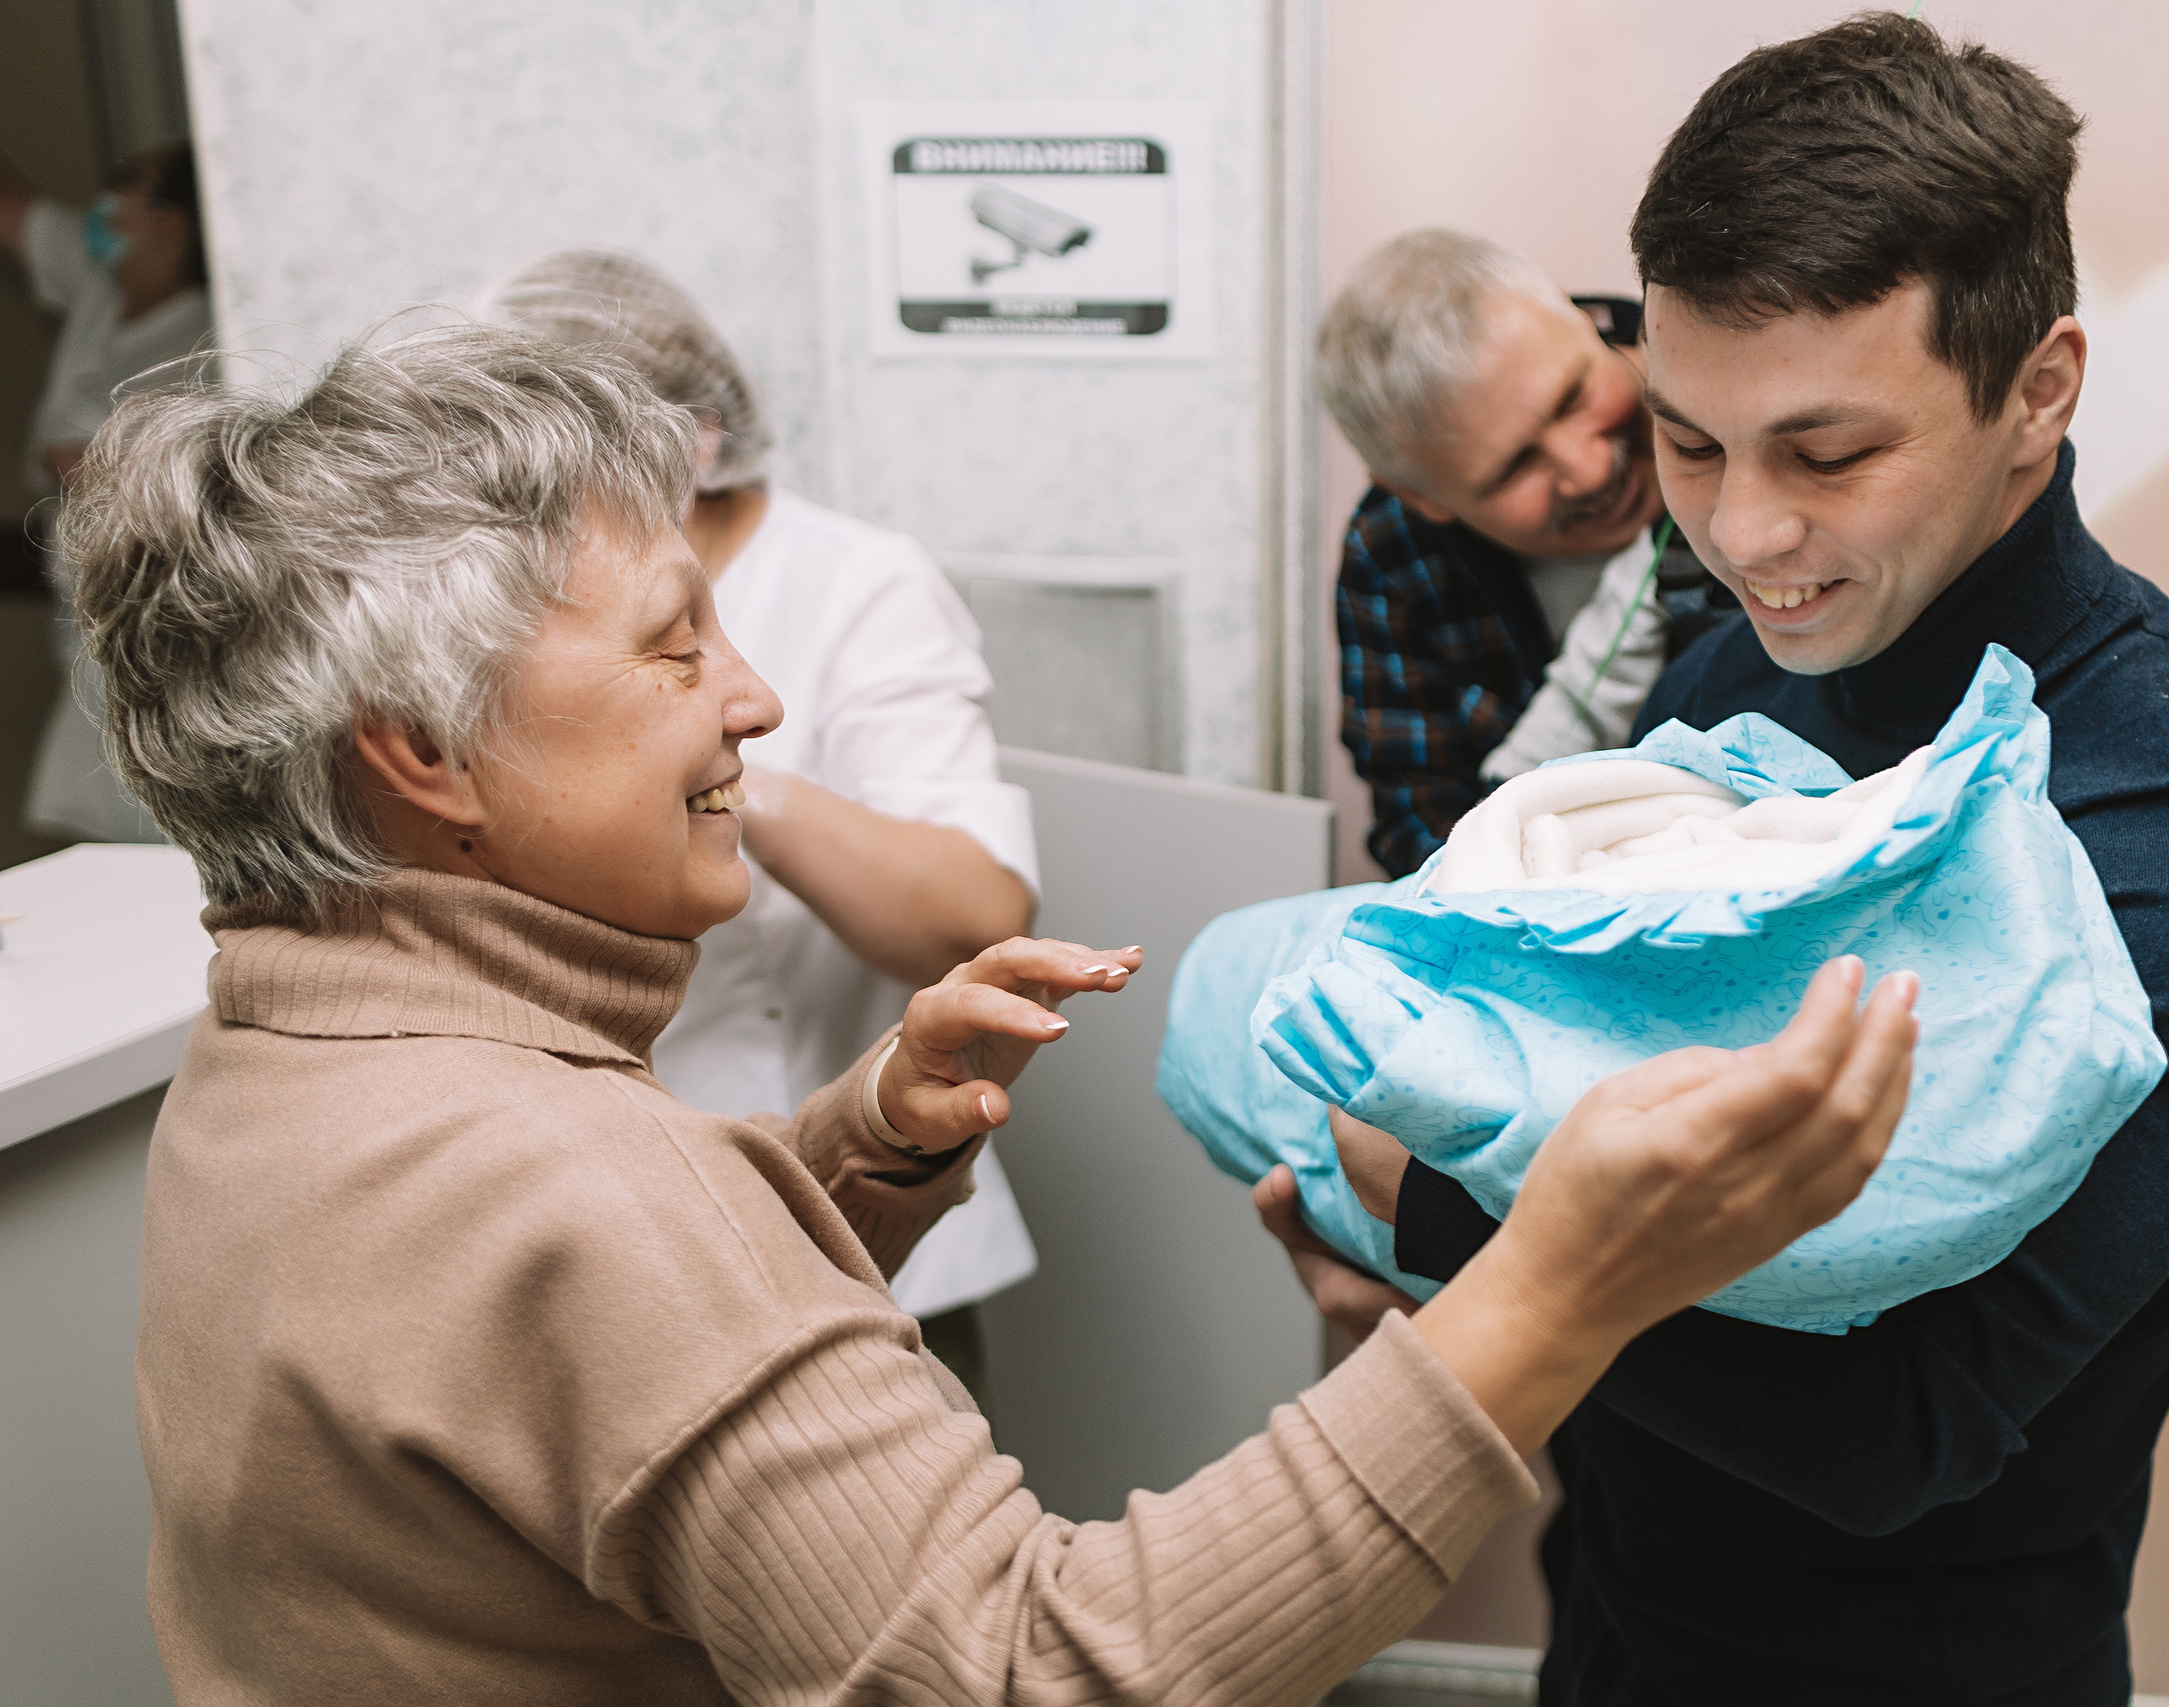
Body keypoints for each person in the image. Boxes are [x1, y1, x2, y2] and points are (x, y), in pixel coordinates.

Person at [68, 319, 1919, 1703]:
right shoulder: (581, 1192)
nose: (759, 701)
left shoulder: (276, 1058)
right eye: (671, 642)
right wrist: (1559, 1290)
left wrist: (837, 1168)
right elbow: (1046, 1669)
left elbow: (548, 1395)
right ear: (419, 753)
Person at [1305, 16, 2169, 1705]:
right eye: (1689, 441)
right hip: (1617, 1614)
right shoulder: (1731, 673)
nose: (1739, 533)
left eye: (1830, 452)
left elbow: (1901, 1434)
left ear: (2042, 391)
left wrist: (1429, 1206)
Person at [487, 251, 1038, 1396]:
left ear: (690, 440)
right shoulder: (517, 604)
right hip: (609, 1223)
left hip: (863, 1234)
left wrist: (713, 768)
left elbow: (978, 909)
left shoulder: (855, 584)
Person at [1316, 230, 1734, 877]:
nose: (1590, 469)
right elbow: (1423, 837)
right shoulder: (1394, 556)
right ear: (1423, 497)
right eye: (1514, 468)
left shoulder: (1744, 376)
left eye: (1572, 397)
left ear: (1583, 320)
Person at [0, 139, 212, 842]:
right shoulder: (100, 286)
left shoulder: (211, 333)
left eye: (128, 183)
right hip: (86, 618)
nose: (104, 199)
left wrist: (88, 464)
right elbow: (14, 212)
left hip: (170, 630)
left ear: (168, 221)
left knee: (153, 834)